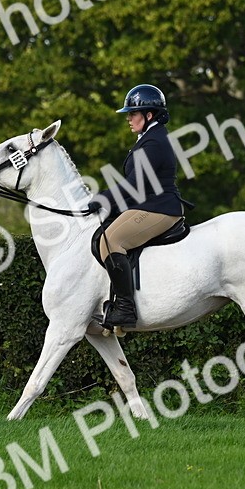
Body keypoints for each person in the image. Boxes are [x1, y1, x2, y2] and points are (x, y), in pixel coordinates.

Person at [90, 84, 188, 329]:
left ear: (149, 115)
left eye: (132, 114)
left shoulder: (154, 142)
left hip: (160, 208)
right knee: (104, 233)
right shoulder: (148, 138)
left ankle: (125, 308)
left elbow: (135, 184)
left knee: (111, 241)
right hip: (148, 204)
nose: (128, 119)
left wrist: (103, 199)